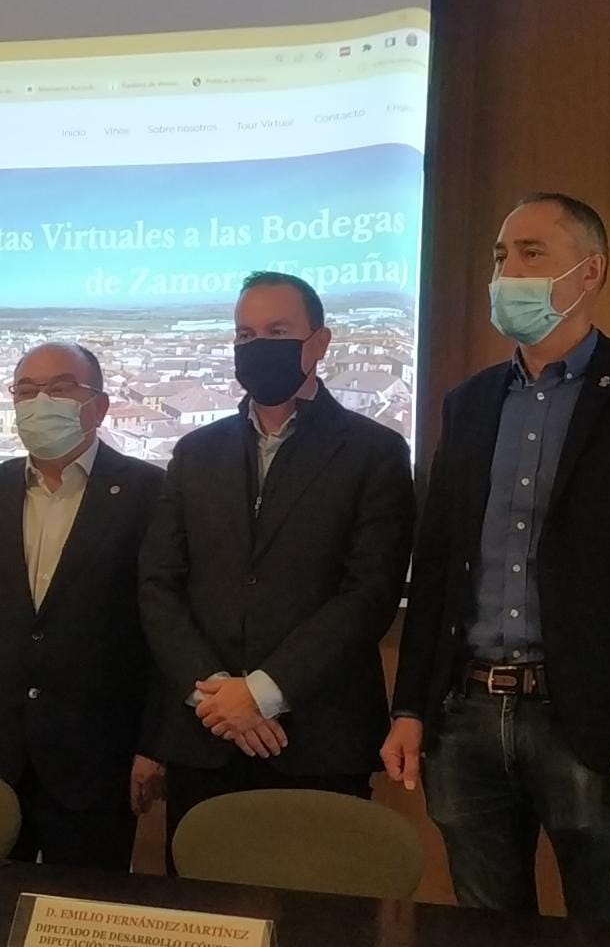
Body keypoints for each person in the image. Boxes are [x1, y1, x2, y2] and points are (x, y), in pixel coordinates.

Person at [382, 194, 610, 922]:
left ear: (589, 271)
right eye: (502, 257)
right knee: (487, 926)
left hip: (592, 725)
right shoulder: (470, 402)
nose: (509, 273)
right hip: (466, 715)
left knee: (607, 922)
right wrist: (409, 706)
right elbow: (438, 566)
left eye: (532, 253)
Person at [139, 271, 416, 849]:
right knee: (202, 921)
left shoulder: (375, 453)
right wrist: (216, 695)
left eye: (277, 330)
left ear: (319, 342)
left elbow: (369, 593)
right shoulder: (195, 453)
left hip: (317, 740)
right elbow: (159, 585)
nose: (257, 346)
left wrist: (264, 691)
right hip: (203, 736)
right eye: (244, 335)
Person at [0, 342, 166, 871]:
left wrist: (155, 745)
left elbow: (166, 633)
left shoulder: (151, 493)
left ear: (98, 405)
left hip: (99, 758)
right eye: (26, 391)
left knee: (84, 912)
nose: (41, 401)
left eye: (60, 388)